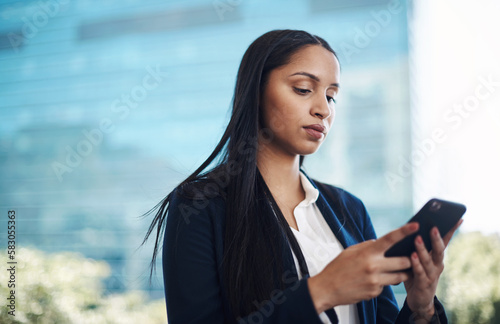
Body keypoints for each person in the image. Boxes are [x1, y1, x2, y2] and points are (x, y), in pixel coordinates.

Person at [144, 29, 462, 324]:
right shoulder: (200, 206)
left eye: (332, 95)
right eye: (304, 89)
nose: (323, 109)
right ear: (255, 90)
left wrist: (421, 307)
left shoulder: (350, 209)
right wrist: (322, 291)